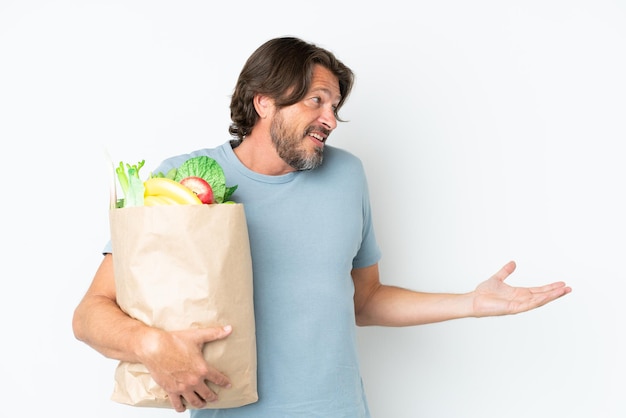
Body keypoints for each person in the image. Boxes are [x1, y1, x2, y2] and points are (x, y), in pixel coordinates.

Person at [72, 36, 572, 417]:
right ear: (263, 100)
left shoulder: (347, 175)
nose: (330, 118)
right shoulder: (180, 180)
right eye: (316, 100)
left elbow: (366, 301)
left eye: (335, 106)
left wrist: (471, 303)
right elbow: (91, 314)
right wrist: (151, 346)